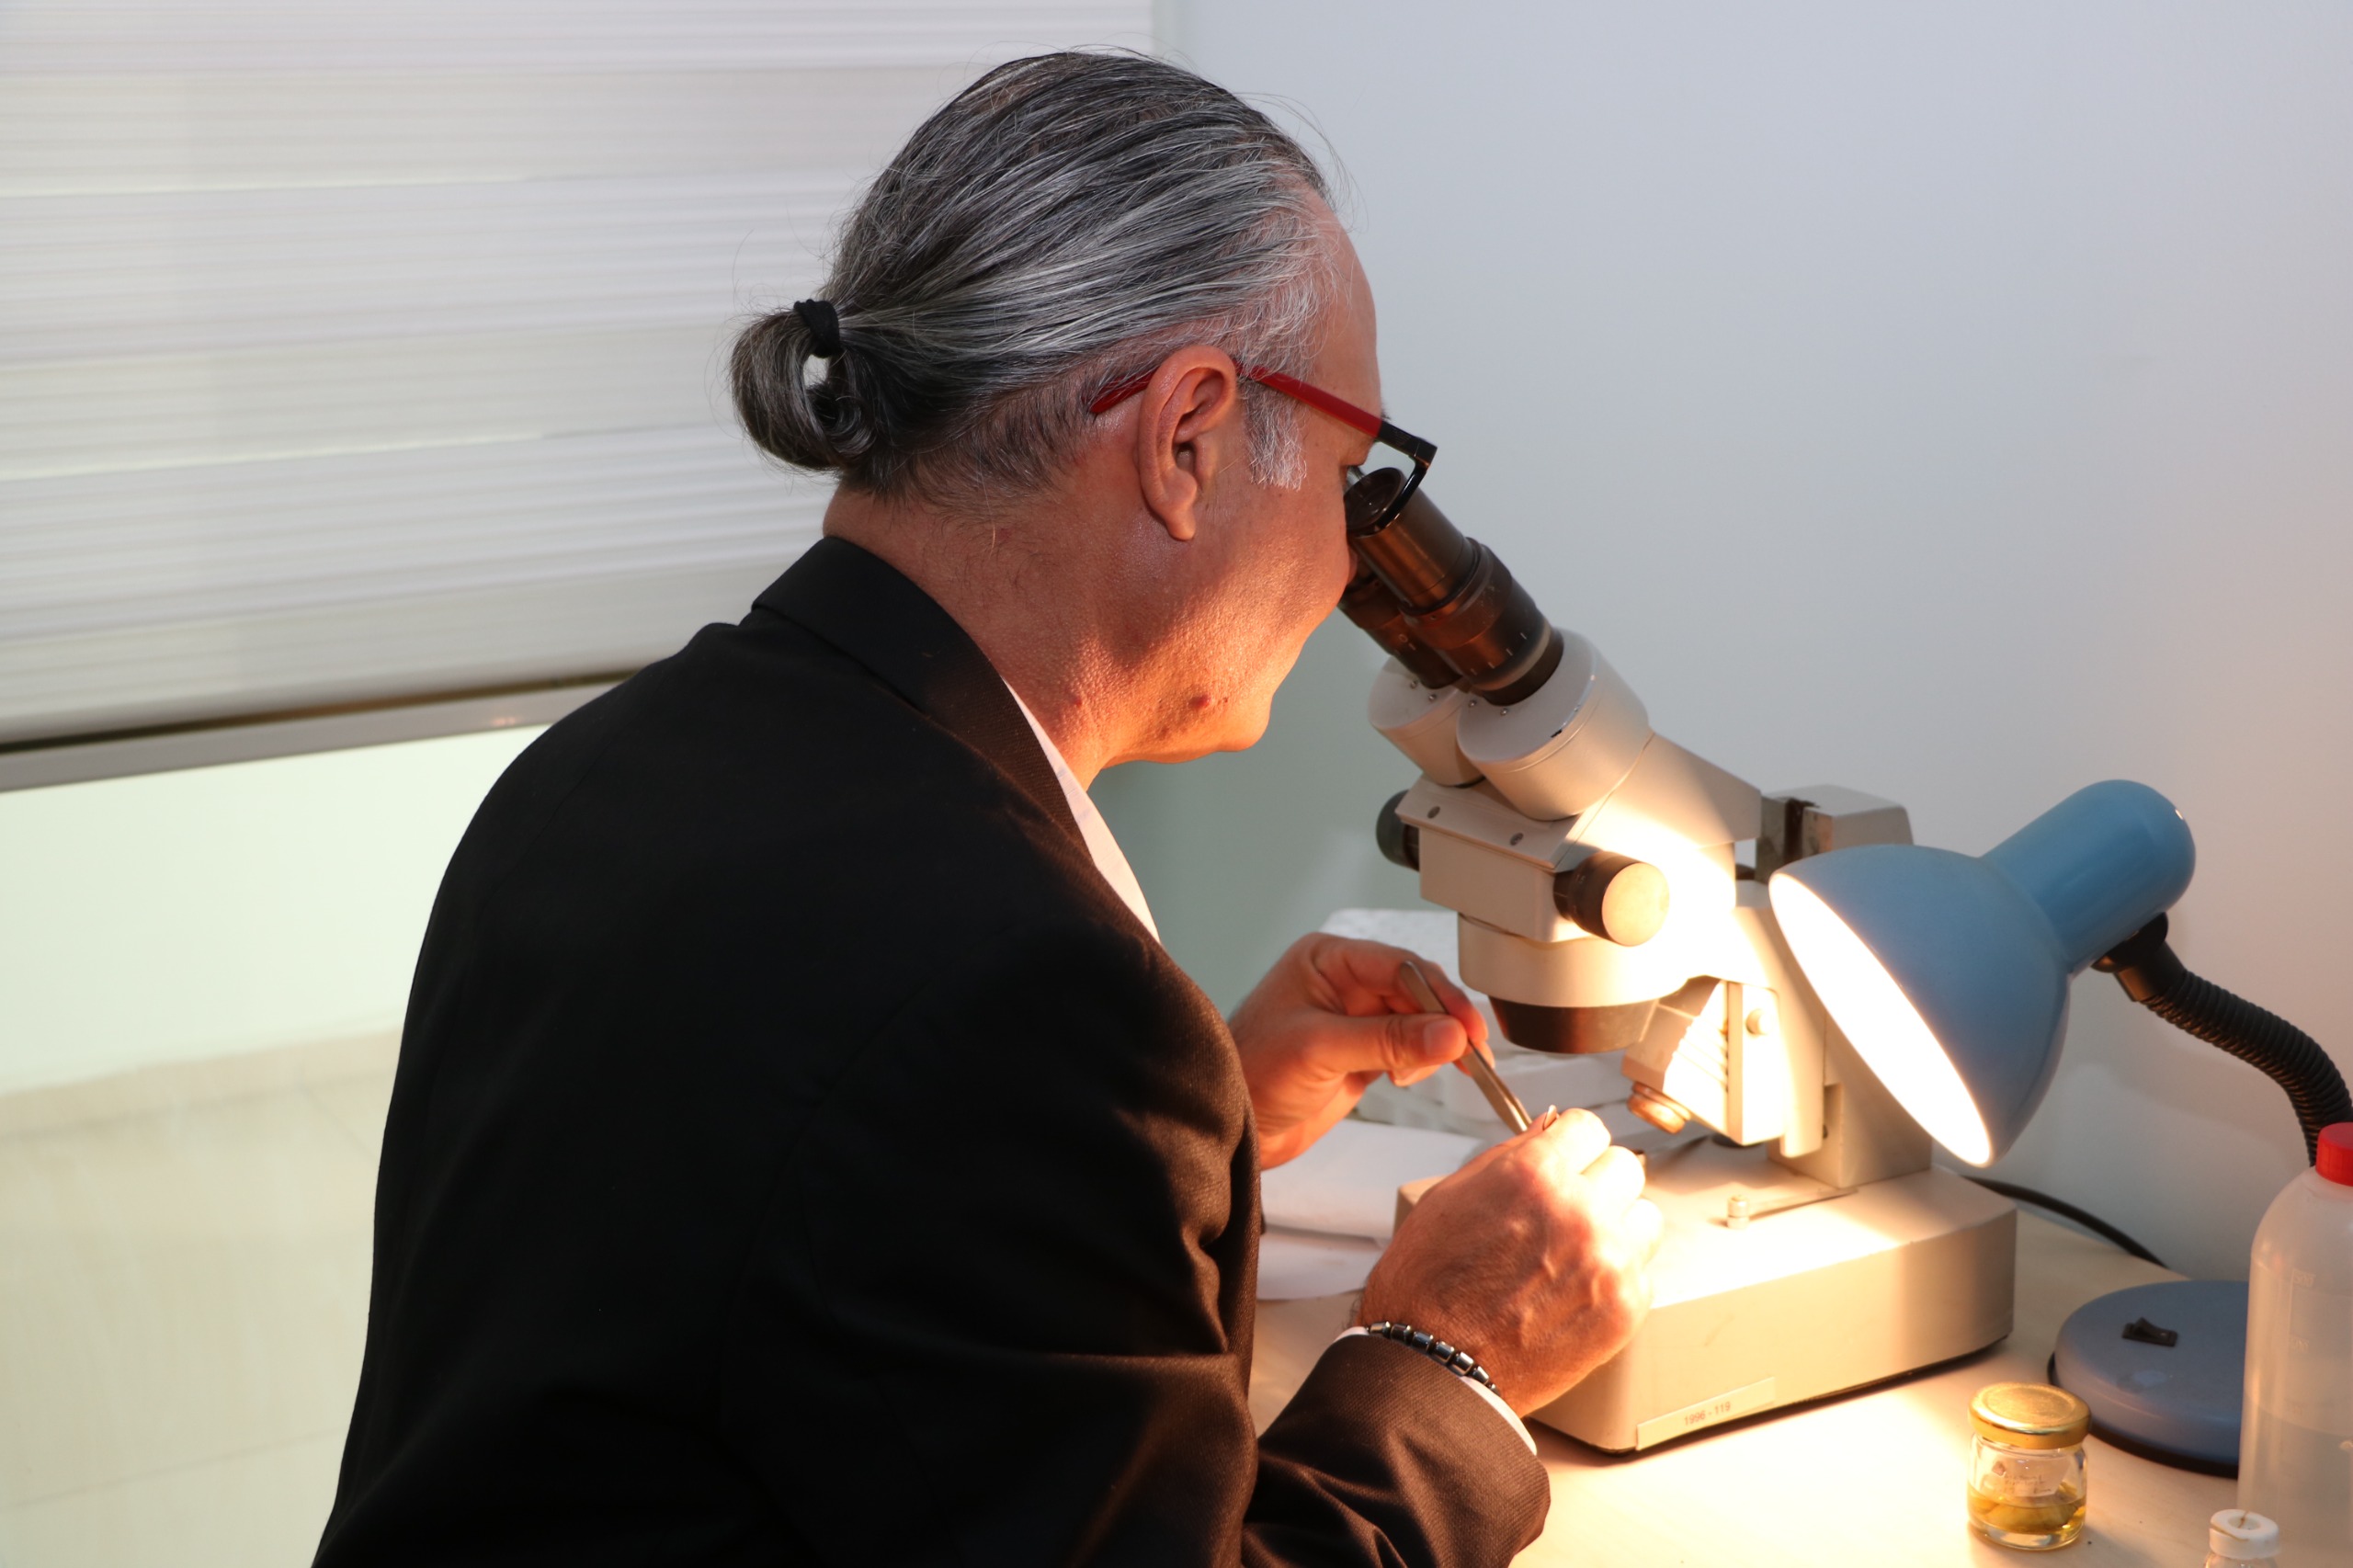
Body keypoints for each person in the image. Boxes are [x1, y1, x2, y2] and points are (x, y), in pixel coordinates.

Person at [313, 51, 1662, 1568]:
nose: (1350, 564)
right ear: (1189, 437)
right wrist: (1449, 1351)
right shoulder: (1013, 990)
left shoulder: (606, 769)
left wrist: (1187, 1132)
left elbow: (806, 1220)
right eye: (1352, 480)